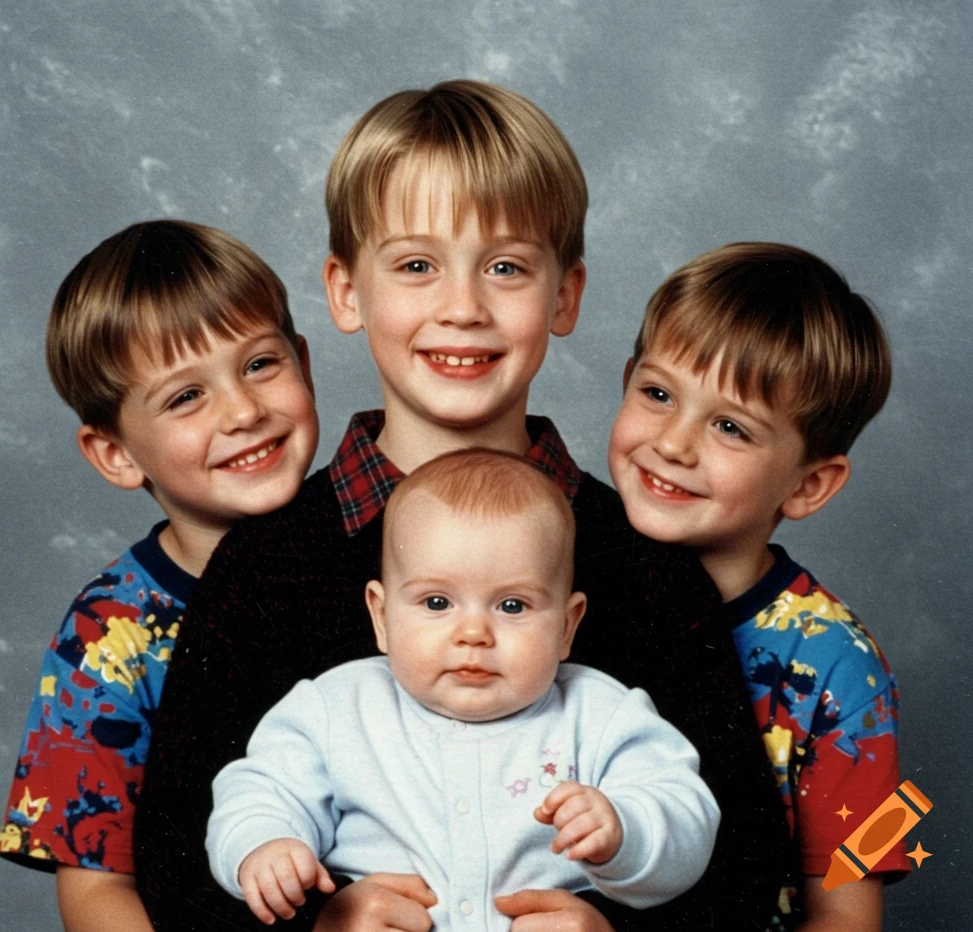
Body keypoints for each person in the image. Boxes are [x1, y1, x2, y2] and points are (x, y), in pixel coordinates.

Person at [136, 81, 786, 932]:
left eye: (507, 267)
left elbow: (746, 865)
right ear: (345, 291)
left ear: (565, 295)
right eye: (415, 265)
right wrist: (317, 922)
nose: (463, 307)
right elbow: (178, 856)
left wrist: (613, 931)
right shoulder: (267, 564)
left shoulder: (645, 567)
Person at [207, 449, 720, 929]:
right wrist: (265, 845)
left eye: (512, 606)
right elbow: (259, 791)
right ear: (381, 617)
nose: (473, 633)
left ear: (567, 626)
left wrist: (624, 830)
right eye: (436, 603)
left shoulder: (601, 715)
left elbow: (686, 814)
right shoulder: (335, 708)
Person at [0, 221, 319, 932]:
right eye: (184, 398)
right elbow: (96, 887)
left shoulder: (382, 549)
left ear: (305, 363)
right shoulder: (108, 634)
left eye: (261, 365)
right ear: (114, 454)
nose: (243, 411)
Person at [608, 242, 906, 932]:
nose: (674, 443)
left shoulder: (845, 668)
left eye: (729, 427)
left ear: (809, 485)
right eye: (656, 394)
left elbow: (848, 915)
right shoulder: (564, 572)